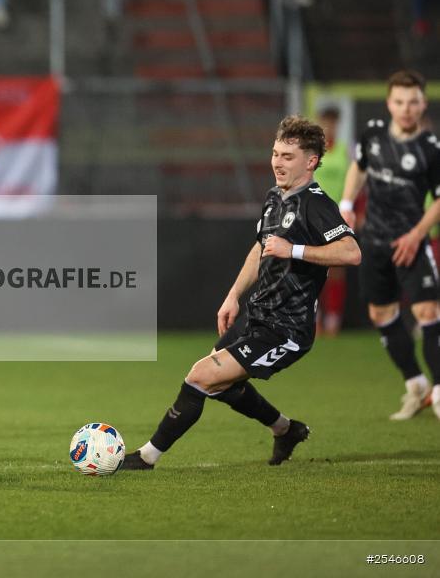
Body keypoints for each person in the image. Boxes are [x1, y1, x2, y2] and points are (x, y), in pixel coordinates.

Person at [122, 116, 361, 471]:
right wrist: (233, 295)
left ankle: (146, 457)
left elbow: (351, 252)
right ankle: (285, 429)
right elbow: (261, 248)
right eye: (275, 153)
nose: (278, 162)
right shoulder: (274, 198)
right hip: (257, 315)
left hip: (287, 329)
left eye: (288, 156)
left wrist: (294, 250)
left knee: (201, 376)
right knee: (219, 384)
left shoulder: (315, 204)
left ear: (311, 162)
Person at [339, 70, 440, 422]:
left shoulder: (430, 149)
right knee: (380, 314)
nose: (406, 109)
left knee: (428, 311)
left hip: (411, 242)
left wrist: (416, 235)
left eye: (413, 102)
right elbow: (359, 168)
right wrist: (347, 204)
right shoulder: (373, 136)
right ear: (389, 103)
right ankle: (416, 386)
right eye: (399, 101)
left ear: (423, 104)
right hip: (375, 242)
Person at [314, 106, 351, 336]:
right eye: (325, 122)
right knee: (313, 268)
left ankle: (333, 319)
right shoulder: (313, 151)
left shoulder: (345, 152)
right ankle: (314, 319)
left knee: (336, 269)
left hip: (337, 217)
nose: (329, 127)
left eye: (333, 123)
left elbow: (354, 182)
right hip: (313, 217)